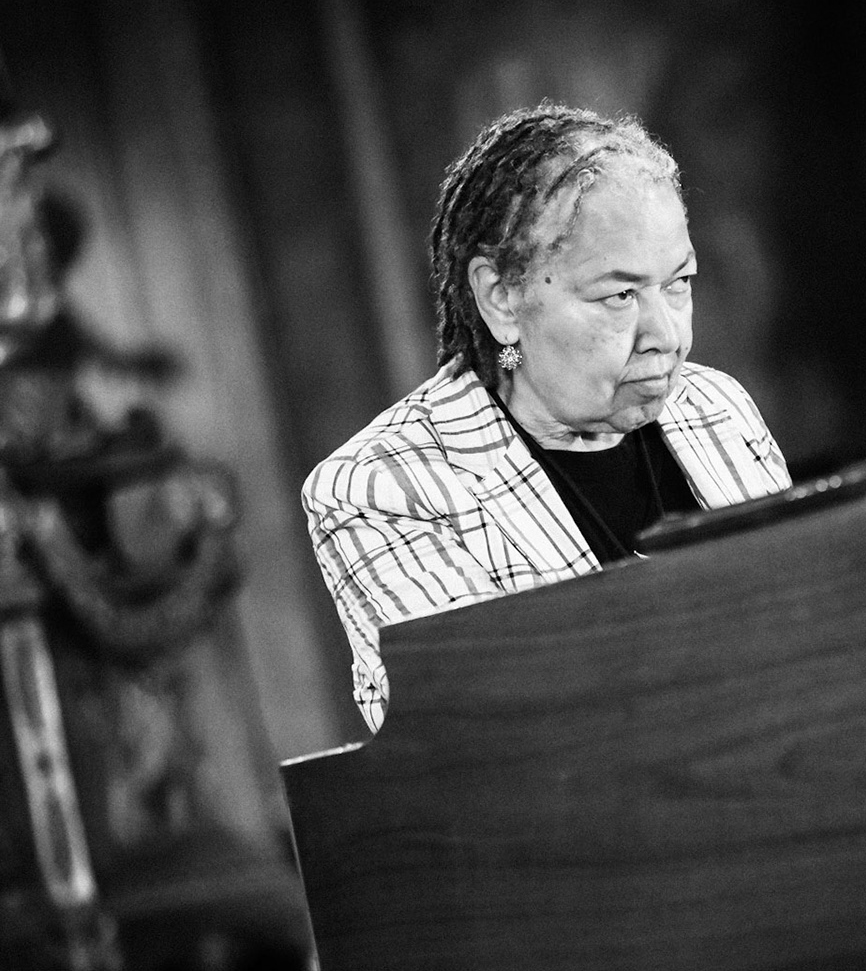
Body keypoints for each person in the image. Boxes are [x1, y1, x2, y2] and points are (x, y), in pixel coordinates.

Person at [304, 104, 789, 733]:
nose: (666, 336)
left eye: (679, 283)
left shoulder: (715, 409)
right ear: (501, 298)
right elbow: (483, 740)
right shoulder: (384, 488)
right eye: (619, 295)